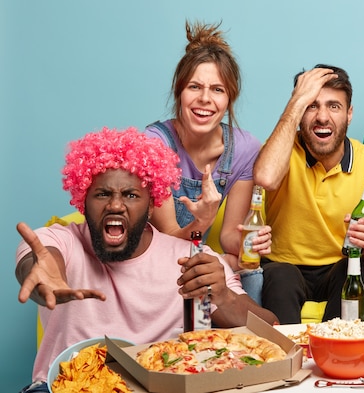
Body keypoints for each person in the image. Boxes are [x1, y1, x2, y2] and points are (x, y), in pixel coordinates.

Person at [15, 127, 278, 393]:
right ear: (83, 201)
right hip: (61, 386)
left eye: (131, 195)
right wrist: (43, 273)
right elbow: (40, 261)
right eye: (102, 194)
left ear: (151, 205)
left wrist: (223, 296)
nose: (116, 205)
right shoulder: (60, 241)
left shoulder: (193, 260)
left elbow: (273, 332)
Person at [253, 64, 364, 324]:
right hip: (283, 265)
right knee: (281, 276)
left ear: (349, 114)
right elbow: (266, 178)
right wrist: (295, 103)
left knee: (360, 269)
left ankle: (338, 348)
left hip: (338, 265)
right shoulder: (279, 152)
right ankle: (286, 358)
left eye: (334, 106)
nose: (322, 117)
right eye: (311, 105)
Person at [144, 21, 269, 304]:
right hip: (156, 261)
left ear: (230, 98)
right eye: (194, 87)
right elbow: (169, 240)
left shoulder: (244, 148)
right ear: (179, 91)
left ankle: (250, 345)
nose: (205, 99)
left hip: (200, 259)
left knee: (252, 271)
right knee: (217, 266)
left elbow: (229, 238)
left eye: (217, 89)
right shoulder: (156, 144)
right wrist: (203, 219)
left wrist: (252, 243)